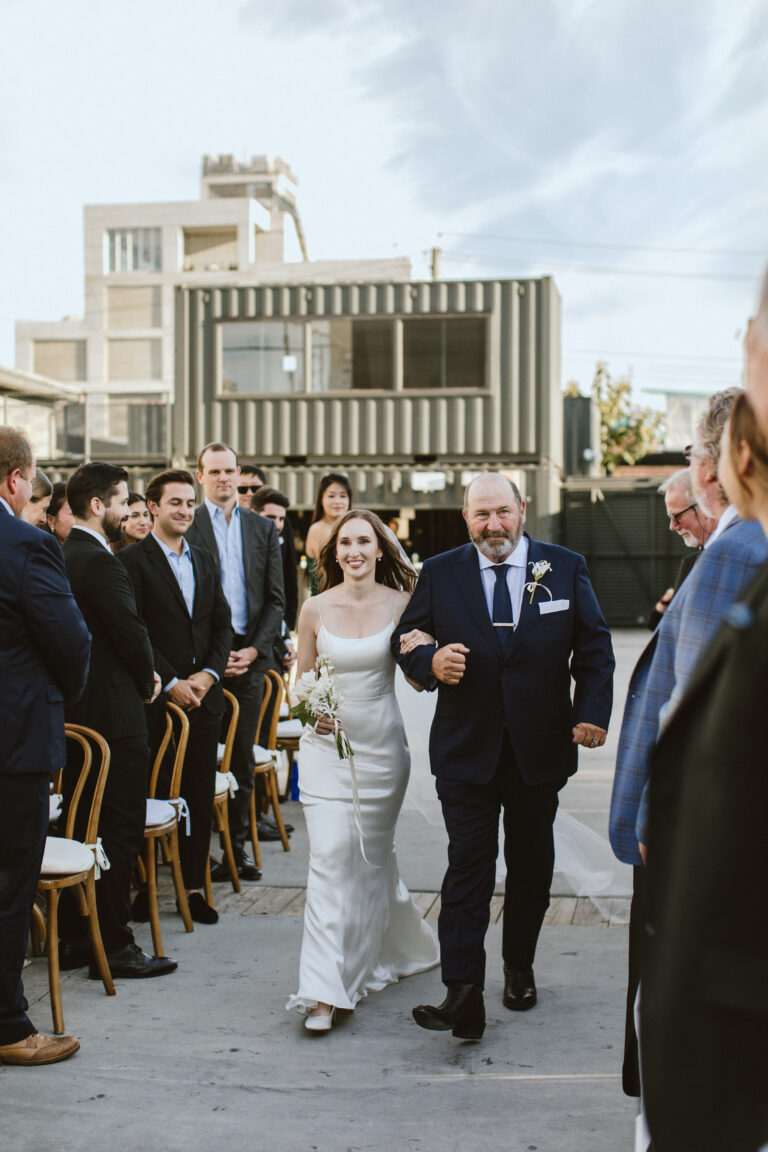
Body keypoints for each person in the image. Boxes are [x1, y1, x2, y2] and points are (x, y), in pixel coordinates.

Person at [394, 472, 614, 1040]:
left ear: (523, 509)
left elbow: (593, 648)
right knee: (469, 865)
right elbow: (410, 636)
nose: (493, 525)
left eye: (502, 512)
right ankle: (462, 992)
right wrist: (430, 664)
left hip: (539, 749)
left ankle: (519, 965)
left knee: (531, 865)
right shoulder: (442, 572)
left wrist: (590, 712)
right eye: (481, 515)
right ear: (466, 518)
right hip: (466, 749)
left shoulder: (564, 566)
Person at [610, 387, 768, 1102]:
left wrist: (656, 823)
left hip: (706, 834)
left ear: (711, 468)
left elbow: (695, 721)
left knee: (674, 1009)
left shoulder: (737, 547)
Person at [287, 509, 439, 1031]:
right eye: (344, 542)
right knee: (330, 860)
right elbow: (298, 685)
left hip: (382, 753)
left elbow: (420, 676)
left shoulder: (403, 604)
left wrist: (434, 658)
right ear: (334, 553)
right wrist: (311, 712)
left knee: (371, 861)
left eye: (363, 542)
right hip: (326, 752)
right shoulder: (313, 608)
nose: (353, 550)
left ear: (379, 550)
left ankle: (390, 946)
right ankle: (326, 991)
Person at [61, 462, 174, 979]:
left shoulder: (66, 554)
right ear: (97, 506)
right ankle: (115, 945)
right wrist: (150, 673)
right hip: (115, 714)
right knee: (119, 827)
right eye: (124, 500)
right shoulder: (101, 561)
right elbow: (129, 630)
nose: (131, 509)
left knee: (83, 826)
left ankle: (79, 940)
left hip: (84, 709)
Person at [0, 427, 90, 1066]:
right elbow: (72, 641)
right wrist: (55, 698)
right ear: (16, 480)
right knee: (9, 886)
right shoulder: (26, 545)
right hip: (13, 745)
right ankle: (8, 1027)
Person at [121, 470, 233, 925]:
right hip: (156, 700)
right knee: (149, 791)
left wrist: (207, 674)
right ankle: (145, 886)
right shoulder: (131, 561)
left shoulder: (204, 559)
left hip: (204, 699)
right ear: (153, 507)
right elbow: (136, 630)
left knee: (198, 795)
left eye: (189, 503)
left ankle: (192, 887)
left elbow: (220, 623)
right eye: (175, 503)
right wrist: (171, 681)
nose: (185, 510)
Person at [187, 443, 284, 880]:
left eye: (231, 471)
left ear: (238, 473)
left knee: (242, 756)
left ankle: (237, 850)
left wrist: (254, 649)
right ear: (200, 474)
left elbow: (276, 600)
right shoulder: (188, 525)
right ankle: (196, 853)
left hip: (248, 654)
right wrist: (211, 655)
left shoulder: (262, 529)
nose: (224, 478)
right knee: (199, 757)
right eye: (216, 471)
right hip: (204, 657)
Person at [646, 467, 717, 629]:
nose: (672, 526)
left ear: (703, 506)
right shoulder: (691, 563)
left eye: (676, 516)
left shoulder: (738, 552)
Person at [251, 485, 297, 674]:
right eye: (271, 518)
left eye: (281, 519)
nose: (278, 525)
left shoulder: (278, 547)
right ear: (253, 514)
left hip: (274, 650)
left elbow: (277, 600)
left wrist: (286, 640)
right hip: (247, 652)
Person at [304, 473, 352, 595]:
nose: (337, 501)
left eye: (343, 496)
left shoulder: (354, 527)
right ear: (321, 499)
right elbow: (331, 577)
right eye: (331, 496)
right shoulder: (317, 529)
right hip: (325, 604)